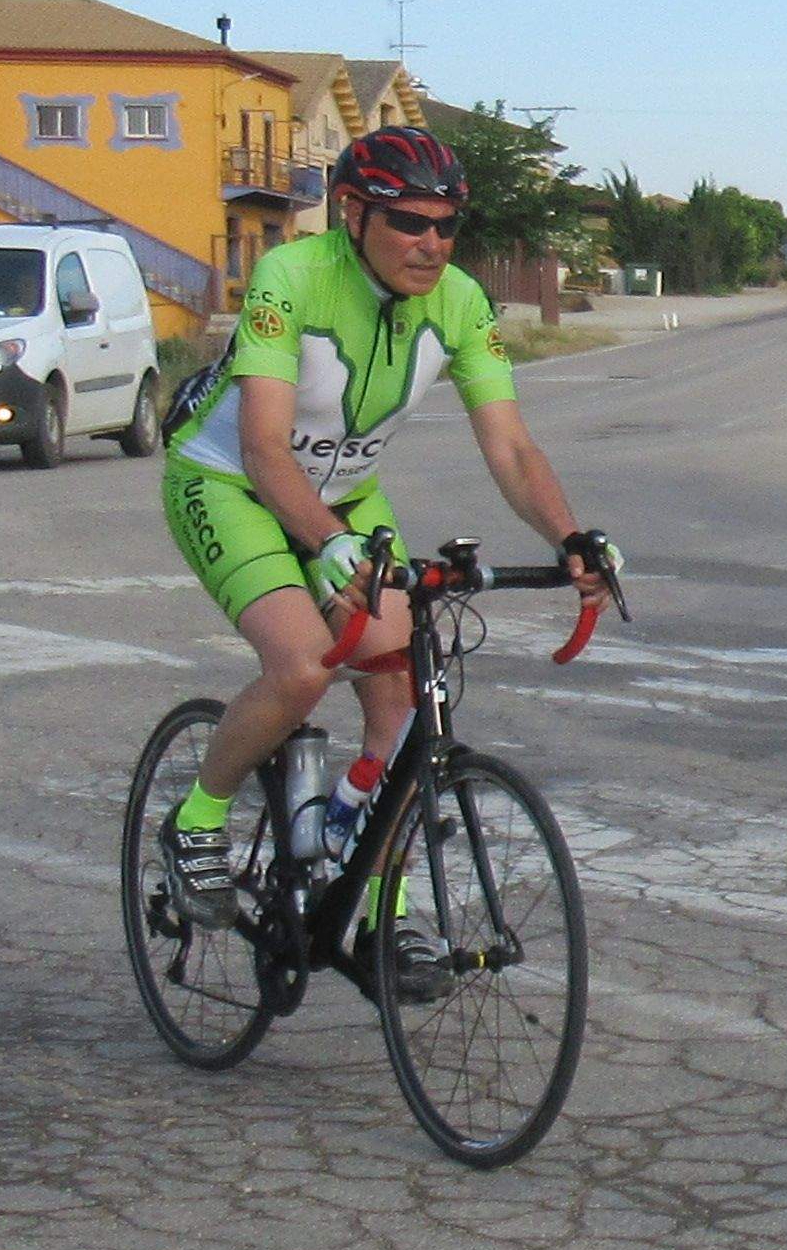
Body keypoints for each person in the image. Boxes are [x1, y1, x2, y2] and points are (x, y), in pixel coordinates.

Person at [154, 125, 621, 942]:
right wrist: (326, 542)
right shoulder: (291, 275)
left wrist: (570, 537)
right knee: (301, 668)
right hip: (231, 483)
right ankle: (197, 819)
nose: (431, 243)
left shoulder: (462, 304)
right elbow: (265, 447)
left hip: (346, 495)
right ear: (352, 212)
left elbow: (511, 447)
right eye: (409, 221)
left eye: (446, 226)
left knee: (403, 700)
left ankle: (383, 914)